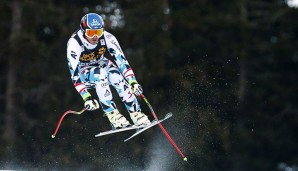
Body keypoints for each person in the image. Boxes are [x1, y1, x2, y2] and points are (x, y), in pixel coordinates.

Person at [66, 13, 151, 129]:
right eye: (91, 33)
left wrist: (133, 82)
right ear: (83, 31)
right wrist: (86, 97)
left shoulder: (107, 38)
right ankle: (113, 115)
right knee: (99, 74)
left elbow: (122, 61)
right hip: (83, 71)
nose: (95, 36)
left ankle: (136, 113)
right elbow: (74, 74)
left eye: (99, 32)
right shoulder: (74, 43)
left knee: (116, 76)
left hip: (101, 63)